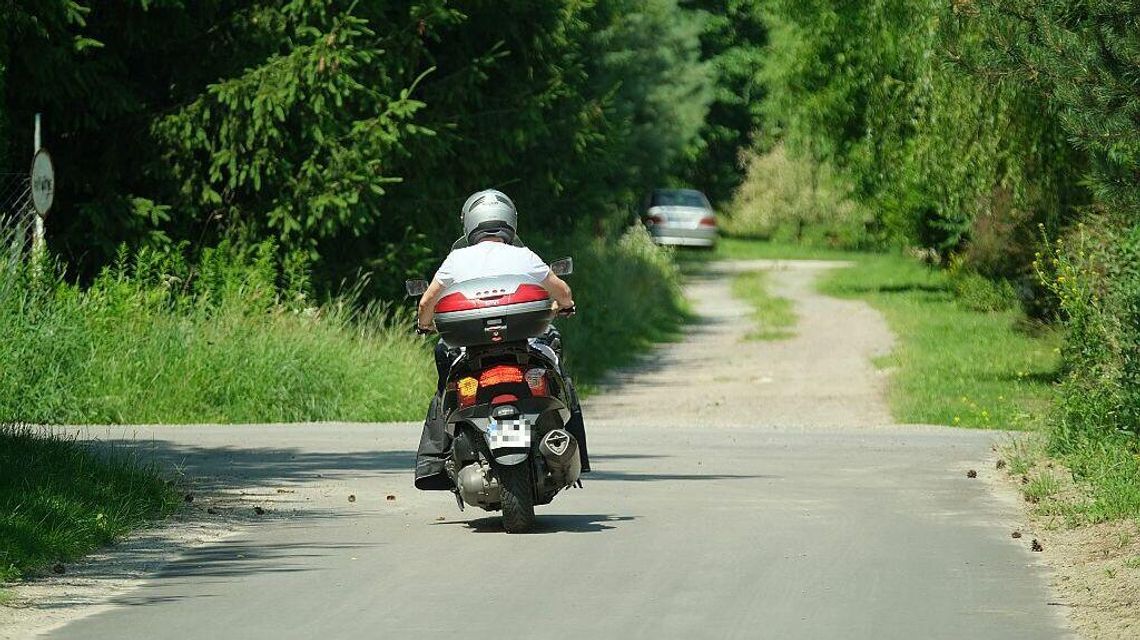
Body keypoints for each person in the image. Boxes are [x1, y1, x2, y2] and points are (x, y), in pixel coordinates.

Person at [413, 189, 591, 490]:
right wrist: (567, 306)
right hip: (524, 348)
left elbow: (427, 302)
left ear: (469, 223)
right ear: (510, 221)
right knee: (560, 373)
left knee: (446, 385)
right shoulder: (523, 255)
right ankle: (577, 453)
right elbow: (562, 291)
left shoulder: (456, 258)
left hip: (471, 351)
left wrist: (424, 324)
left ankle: (434, 460)